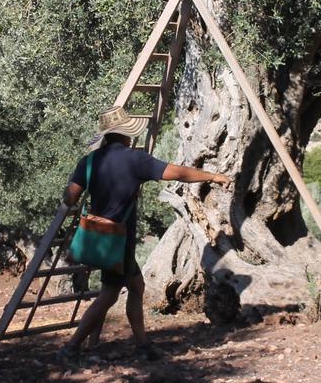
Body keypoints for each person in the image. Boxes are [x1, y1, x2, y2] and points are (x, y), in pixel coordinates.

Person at [57, 106, 231, 365]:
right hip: (119, 239)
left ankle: (142, 345)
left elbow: (70, 196)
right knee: (109, 294)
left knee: (135, 287)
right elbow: (178, 172)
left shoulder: (90, 161)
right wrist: (212, 176)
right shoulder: (134, 159)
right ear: (126, 135)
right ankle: (72, 347)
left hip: (99, 236)